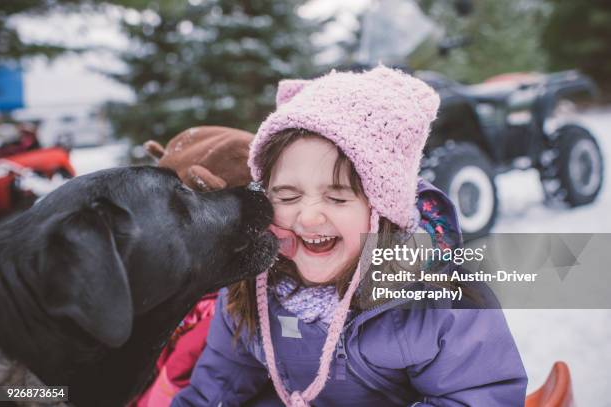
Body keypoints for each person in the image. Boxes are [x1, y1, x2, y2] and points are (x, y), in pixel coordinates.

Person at [171, 66, 527, 406]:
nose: (308, 216)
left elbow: (477, 394)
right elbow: (222, 378)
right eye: (288, 196)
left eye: (337, 197)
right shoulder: (253, 286)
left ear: (383, 211)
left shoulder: (435, 300)